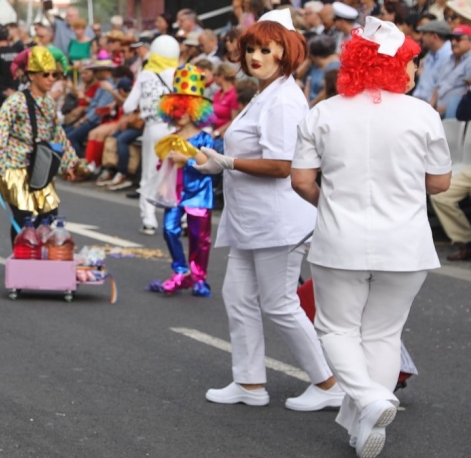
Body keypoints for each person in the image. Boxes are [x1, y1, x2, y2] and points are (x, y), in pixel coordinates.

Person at [289, 18, 450, 458]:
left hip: (340, 239)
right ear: (396, 65)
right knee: (382, 334)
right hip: (407, 242)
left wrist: (331, 203)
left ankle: (369, 400)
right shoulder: (422, 114)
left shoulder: (324, 112)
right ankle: (365, 422)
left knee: (336, 328)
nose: (415, 70)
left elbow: (301, 180)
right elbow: (439, 183)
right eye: (412, 62)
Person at [191, 11, 342, 412]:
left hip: (277, 220)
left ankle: (329, 384)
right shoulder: (266, 93)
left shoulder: (283, 99)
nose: (256, 56)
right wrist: (219, 163)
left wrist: (227, 163)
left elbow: (282, 165)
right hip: (251, 219)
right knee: (238, 296)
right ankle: (250, 382)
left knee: (278, 302)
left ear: (285, 52)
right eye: (251, 48)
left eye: (266, 49)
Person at [0, 47, 81, 242]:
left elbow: (58, 136)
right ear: (32, 75)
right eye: (46, 74)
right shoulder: (15, 102)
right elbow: (0, 134)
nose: (52, 78)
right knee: (24, 217)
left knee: (49, 214)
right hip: (15, 166)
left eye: (55, 74)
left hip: (41, 167)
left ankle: (39, 260)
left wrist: (71, 164)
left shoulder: (50, 104)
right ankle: (21, 259)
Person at [147, 65, 215, 297]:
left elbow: (208, 163)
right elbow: (163, 165)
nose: (180, 114)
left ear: (195, 110)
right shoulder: (171, 139)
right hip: (175, 193)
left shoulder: (205, 137)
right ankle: (180, 271)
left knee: (200, 238)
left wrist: (186, 159)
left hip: (199, 193)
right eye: (177, 109)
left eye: (185, 109)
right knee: (169, 230)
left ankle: (199, 277)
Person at [123, 35, 180, 235]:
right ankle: (178, 217)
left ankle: (148, 218)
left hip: (152, 127)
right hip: (175, 128)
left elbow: (128, 105)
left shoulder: (145, 74)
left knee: (148, 173)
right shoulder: (179, 73)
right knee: (174, 173)